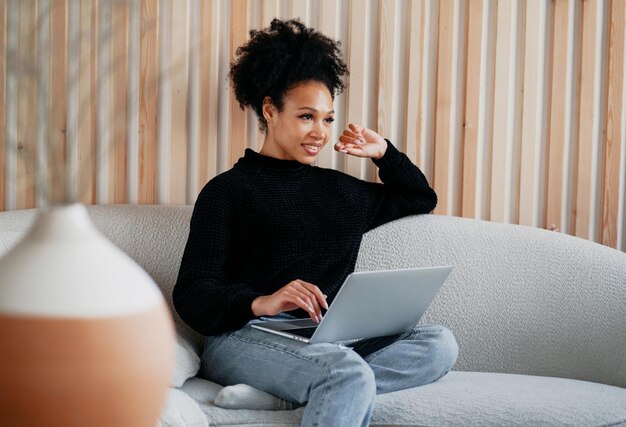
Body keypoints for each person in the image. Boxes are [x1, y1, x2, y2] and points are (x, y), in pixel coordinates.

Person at [174, 18, 458, 427]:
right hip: (244, 337)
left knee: (439, 345)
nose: (320, 132)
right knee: (347, 371)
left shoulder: (343, 191)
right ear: (270, 110)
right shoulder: (228, 191)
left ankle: (285, 399)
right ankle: (328, 383)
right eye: (307, 116)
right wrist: (261, 301)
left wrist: (383, 153)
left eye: (327, 119)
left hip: (326, 340)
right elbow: (193, 294)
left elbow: (418, 197)